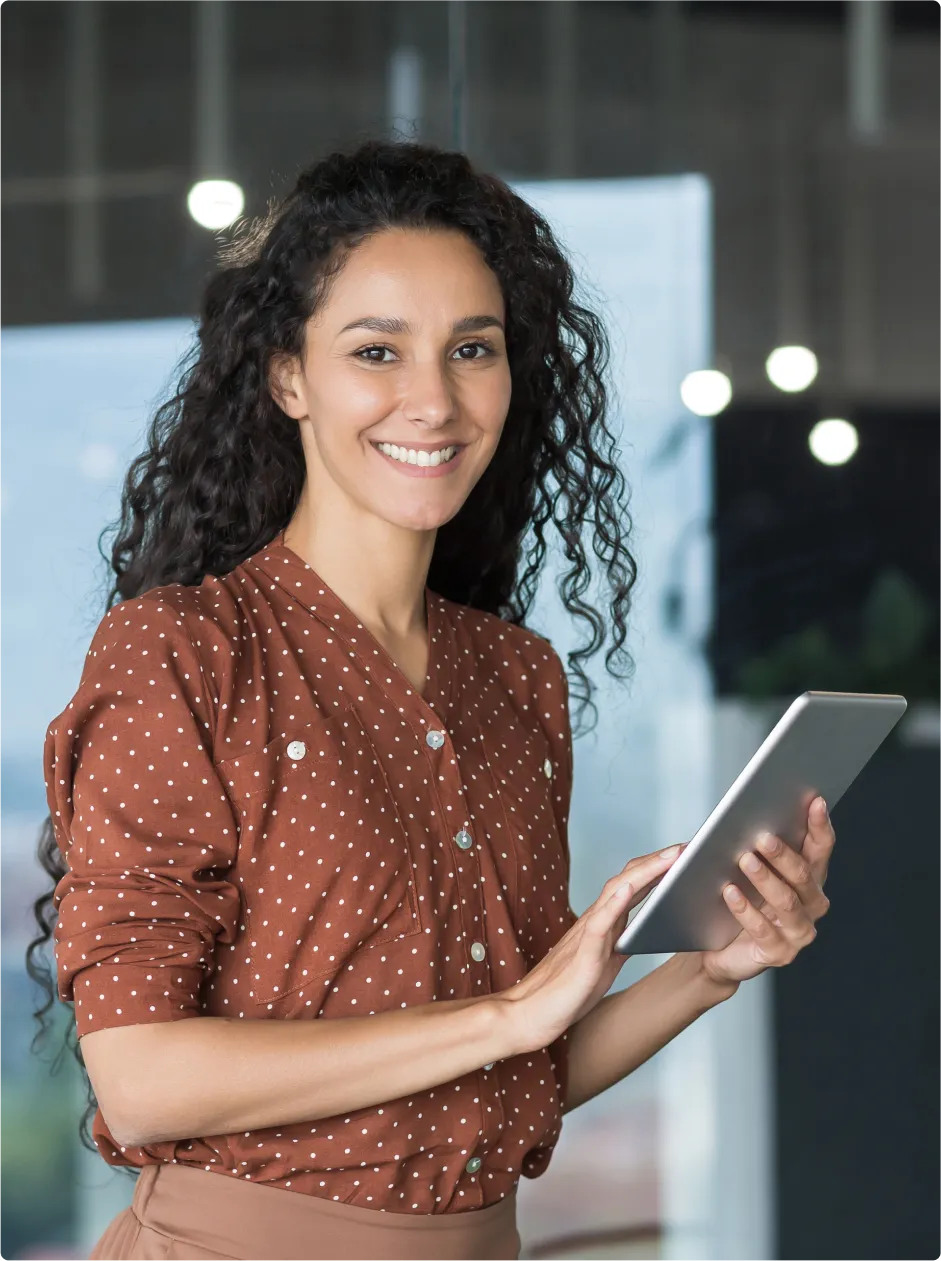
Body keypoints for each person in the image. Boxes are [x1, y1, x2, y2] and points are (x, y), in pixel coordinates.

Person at [25, 137, 834, 1261]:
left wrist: (704, 971)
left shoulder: (513, 678)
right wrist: (507, 1014)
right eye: (375, 349)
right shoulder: (183, 654)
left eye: (471, 348)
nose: (433, 400)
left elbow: (513, 1072)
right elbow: (145, 1078)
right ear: (287, 375)